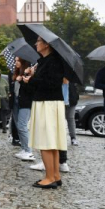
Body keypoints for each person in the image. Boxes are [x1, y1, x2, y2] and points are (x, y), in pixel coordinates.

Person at [22, 36, 67, 188]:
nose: (36, 44)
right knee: (51, 142)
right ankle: (55, 175)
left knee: (46, 141)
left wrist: (32, 80)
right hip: (48, 102)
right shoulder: (45, 61)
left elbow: (51, 83)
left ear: (47, 44)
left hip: (47, 103)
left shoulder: (52, 61)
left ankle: (50, 177)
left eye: (39, 41)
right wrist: (32, 77)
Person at [12, 57, 35, 161]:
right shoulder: (16, 73)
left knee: (22, 126)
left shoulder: (29, 74)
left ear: (23, 62)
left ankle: (29, 151)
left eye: (18, 60)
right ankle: (24, 149)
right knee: (18, 126)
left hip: (25, 104)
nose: (16, 62)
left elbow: (30, 91)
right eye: (15, 60)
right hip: (16, 102)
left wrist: (23, 80)